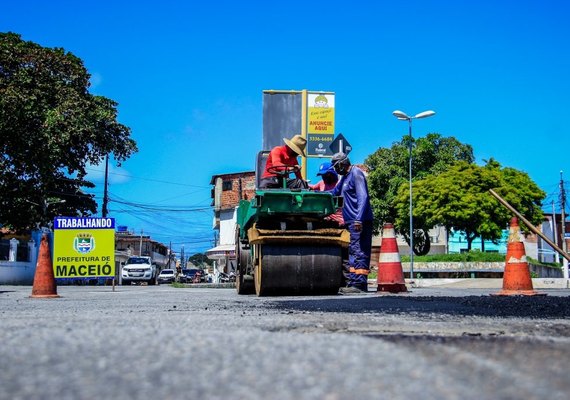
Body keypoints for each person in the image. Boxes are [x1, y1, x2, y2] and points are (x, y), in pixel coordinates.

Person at [329, 152, 373, 294]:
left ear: (342, 163)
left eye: (336, 167)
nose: (335, 170)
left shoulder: (356, 174)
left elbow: (363, 196)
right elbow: (334, 192)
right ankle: (355, 282)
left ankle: (359, 285)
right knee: (354, 251)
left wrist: (358, 219)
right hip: (352, 222)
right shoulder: (344, 179)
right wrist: (312, 192)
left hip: (358, 222)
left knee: (359, 251)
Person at [309, 162, 344, 226]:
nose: (323, 177)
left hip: (339, 220)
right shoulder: (321, 183)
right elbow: (312, 187)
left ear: (332, 173)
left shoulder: (339, 185)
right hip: (325, 218)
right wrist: (303, 183)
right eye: (322, 175)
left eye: (325, 175)